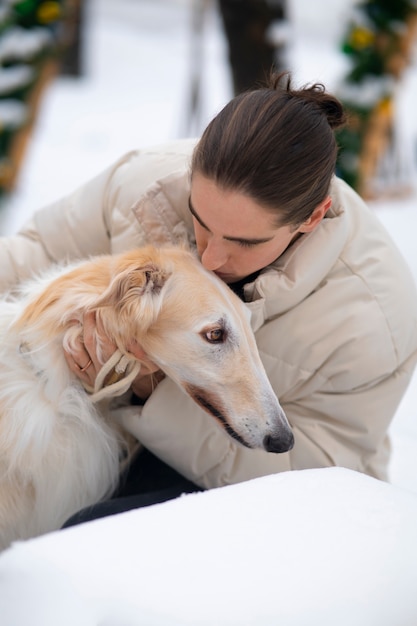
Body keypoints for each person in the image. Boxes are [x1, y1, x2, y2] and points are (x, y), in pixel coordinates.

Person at [1, 73, 417, 525]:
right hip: (100, 441)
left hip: (267, 502)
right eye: (200, 220)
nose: (212, 256)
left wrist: (145, 390)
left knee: (91, 530)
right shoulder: (147, 183)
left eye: (243, 240)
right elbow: (27, 259)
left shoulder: (377, 319)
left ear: (312, 217)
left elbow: (306, 474)